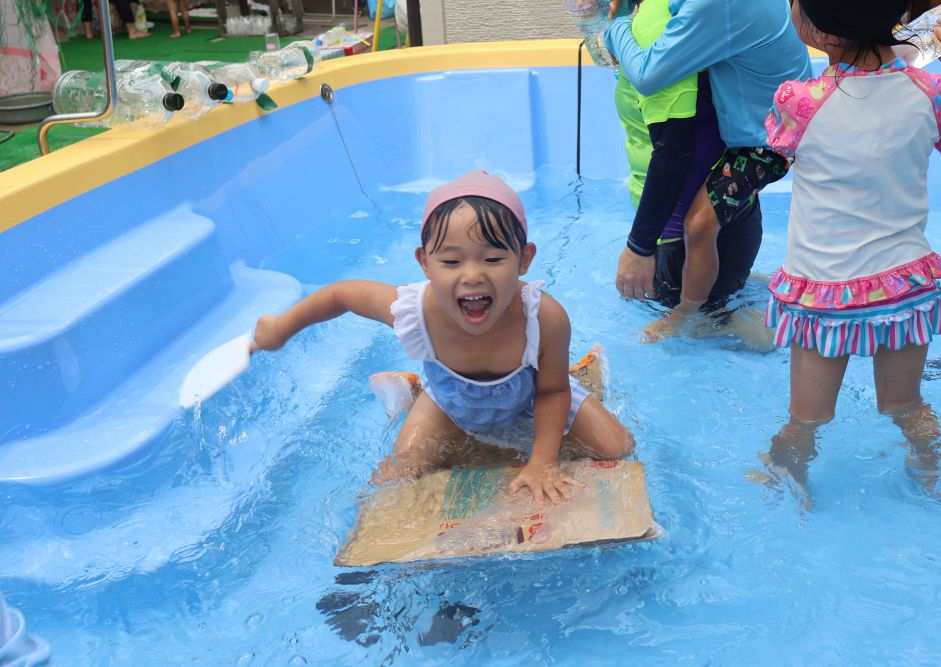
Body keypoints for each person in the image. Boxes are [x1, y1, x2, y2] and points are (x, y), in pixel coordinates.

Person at [251, 171, 634, 504]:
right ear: (424, 263)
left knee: (620, 449)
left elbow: (551, 392)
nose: (471, 275)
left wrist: (543, 461)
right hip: (451, 404)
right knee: (398, 475)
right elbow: (340, 295)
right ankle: (417, 391)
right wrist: (281, 328)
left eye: (493, 259)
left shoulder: (543, 318)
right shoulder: (414, 311)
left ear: (524, 259)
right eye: (451, 261)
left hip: (530, 399)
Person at [760, 0, 941, 507]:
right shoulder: (935, 93)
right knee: (906, 404)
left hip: (822, 298)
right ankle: (932, 476)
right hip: (903, 291)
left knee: (806, 419)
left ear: (816, 31)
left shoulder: (797, 100)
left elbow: (776, 144)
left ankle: (786, 479)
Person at [604, 0, 811, 335]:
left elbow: (648, 74)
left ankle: (688, 313)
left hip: (769, 141)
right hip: (778, 123)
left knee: (699, 224)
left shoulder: (717, 4)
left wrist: (613, 28)